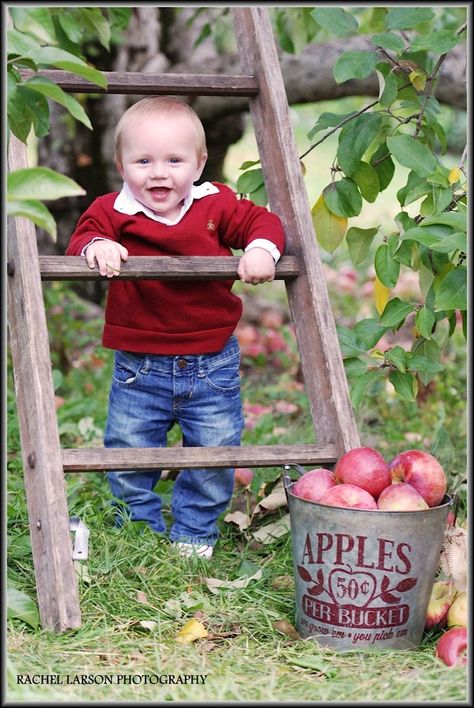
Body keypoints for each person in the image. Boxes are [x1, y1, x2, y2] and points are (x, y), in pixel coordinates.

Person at [66, 96, 285, 559]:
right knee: (128, 450)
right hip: (138, 365)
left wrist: (262, 249)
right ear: (121, 163)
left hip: (211, 360)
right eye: (142, 161)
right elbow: (82, 235)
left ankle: (193, 534)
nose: (158, 173)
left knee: (213, 450)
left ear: (200, 163)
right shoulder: (113, 210)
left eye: (174, 160)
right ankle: (138, 528)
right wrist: (98, 246)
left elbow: (261, 222)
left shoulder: (216, 203)